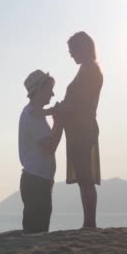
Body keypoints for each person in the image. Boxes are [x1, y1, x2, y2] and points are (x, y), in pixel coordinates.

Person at [52, 31, 103, 228]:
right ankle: (88, 222)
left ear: (83, 48)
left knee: (85, 178)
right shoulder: (87, 70)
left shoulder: (90, 71)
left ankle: (89, 223)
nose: (71, 54)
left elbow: (79, 103)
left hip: (83, 129)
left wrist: (56, 109)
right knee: (84, 178)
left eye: (72, 50)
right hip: (79, 129)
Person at [18, 70, 63, 233]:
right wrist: (59, 122)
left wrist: (53, 113)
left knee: (36, 231)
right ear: (39, 90)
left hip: (39, 181)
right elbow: (50, 147)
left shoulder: (34, 113)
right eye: (49, 89)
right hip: (36, 182)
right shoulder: (31, 116)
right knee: (36, 234)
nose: (52, 93)